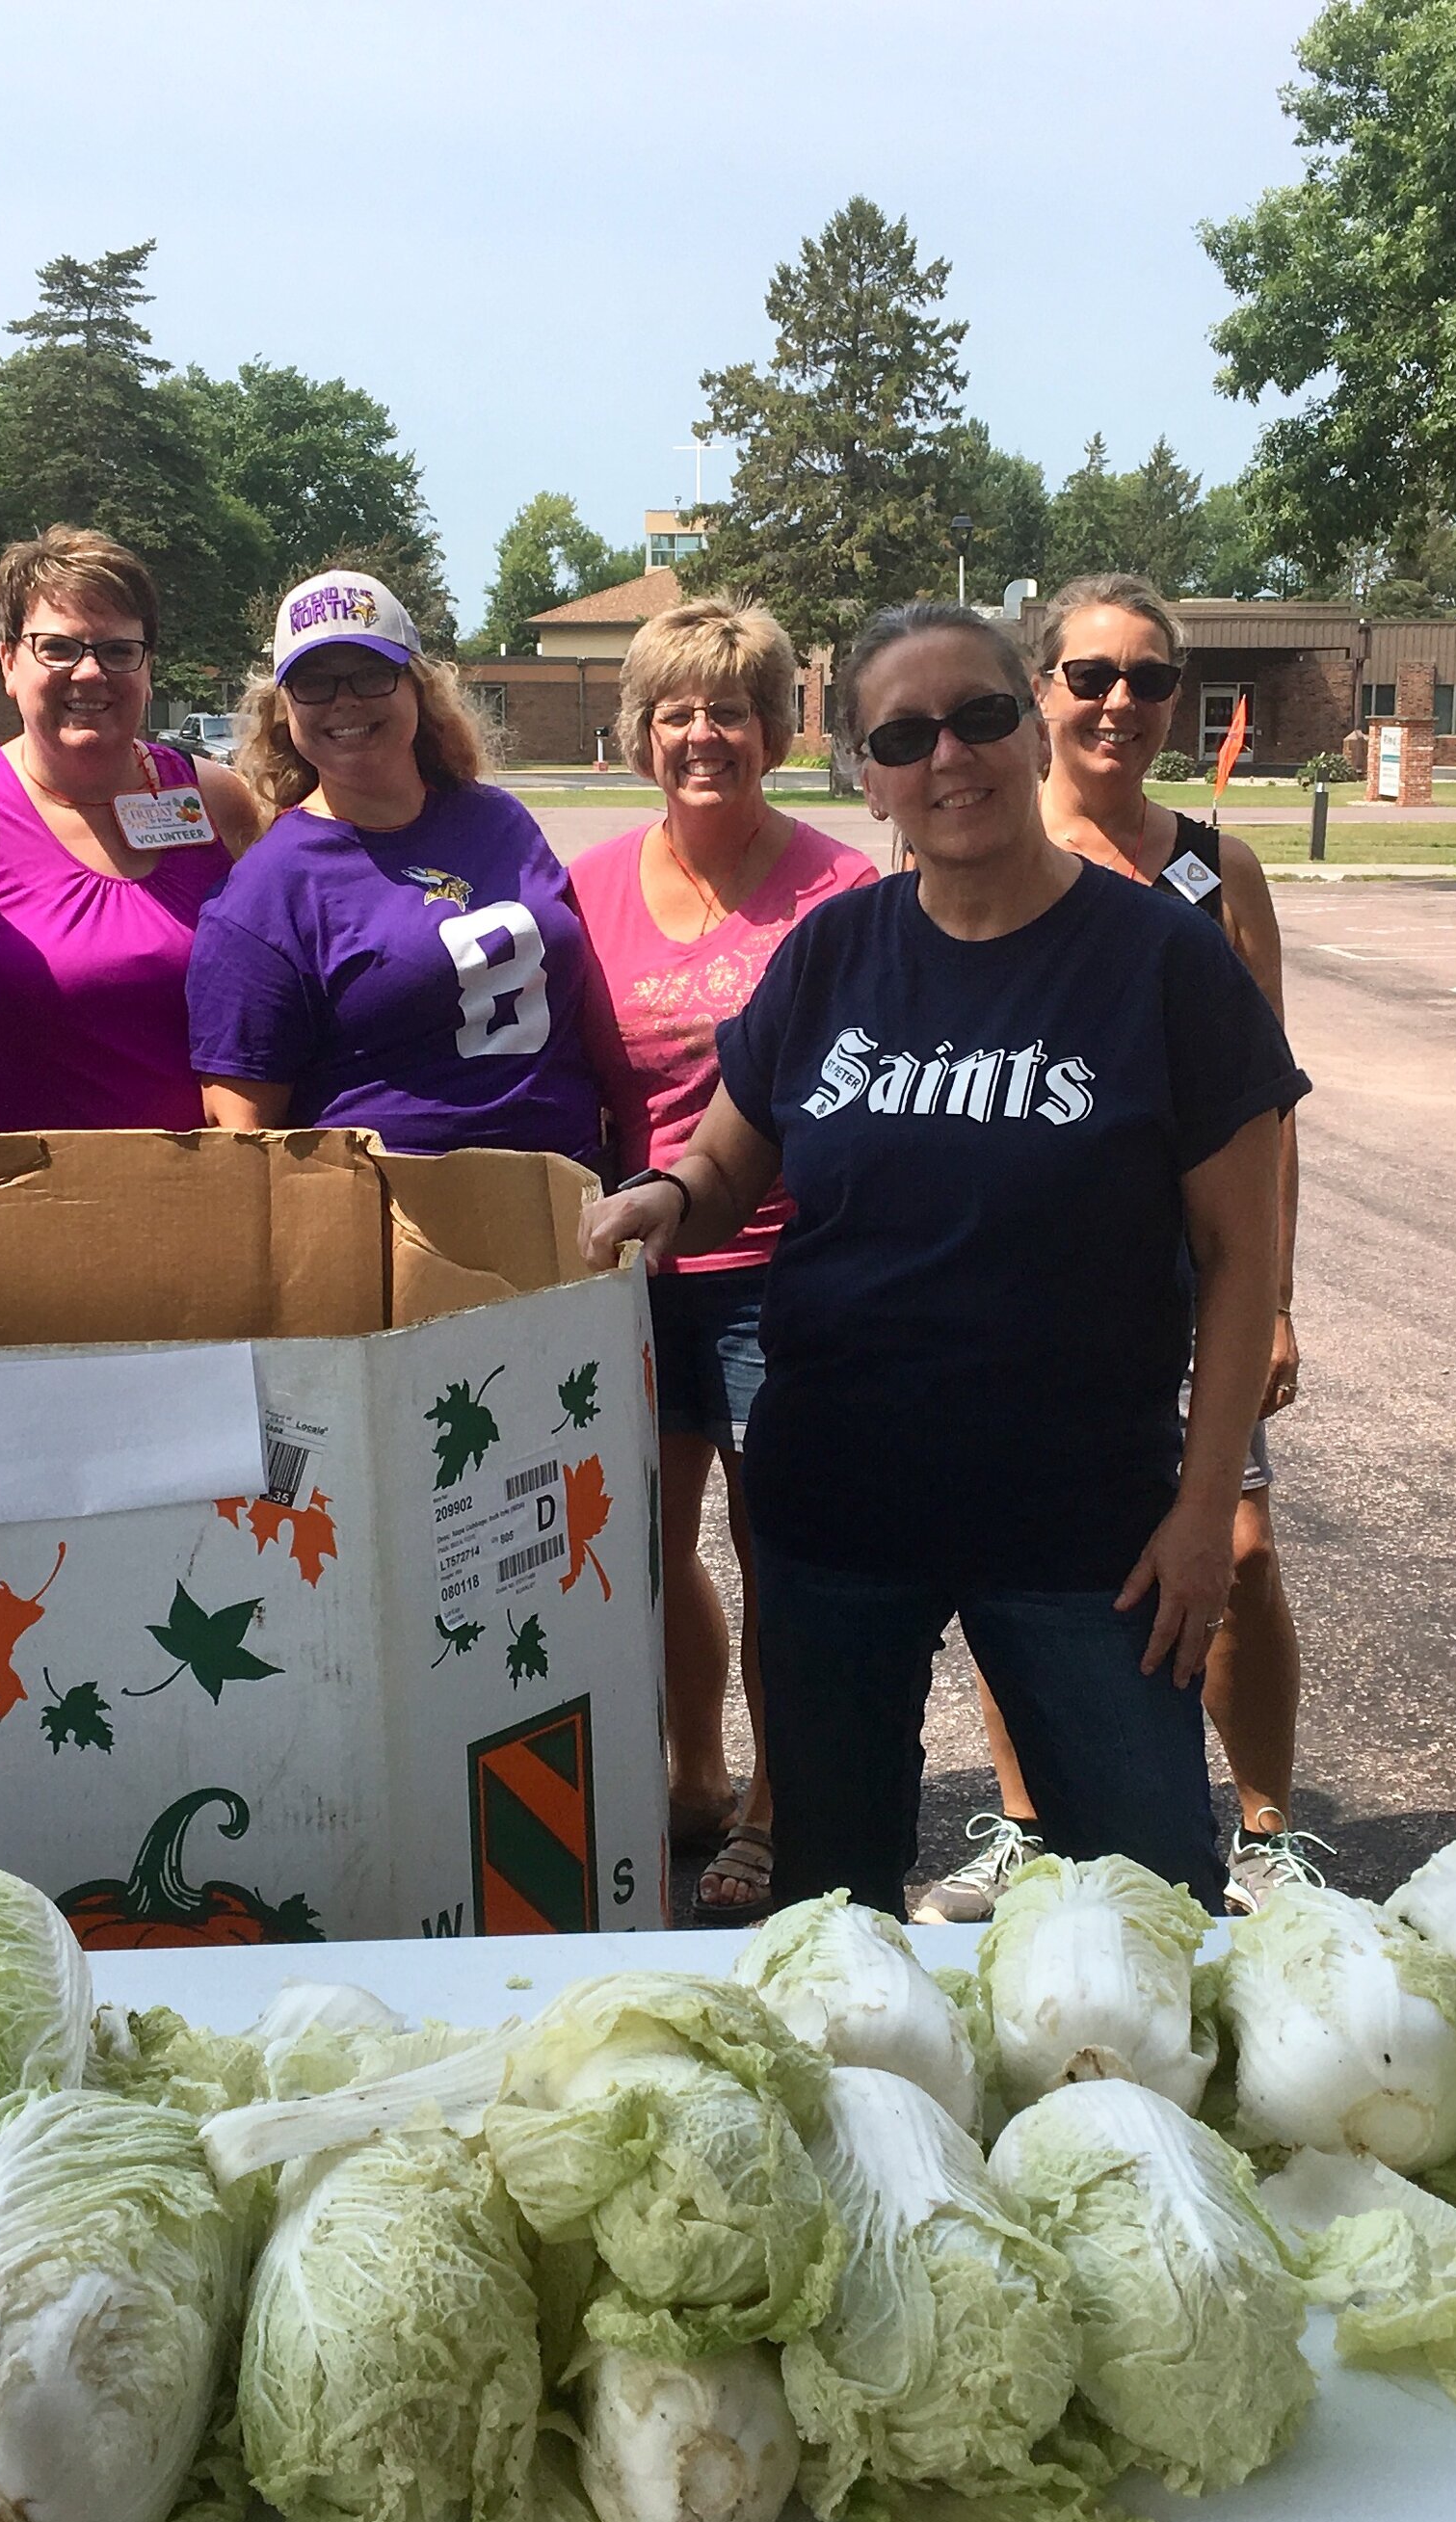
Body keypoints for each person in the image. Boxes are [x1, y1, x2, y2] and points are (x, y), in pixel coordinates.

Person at [581, 602, 1310, 1920]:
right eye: (903, 735)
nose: (949, 757)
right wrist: (659, 1198)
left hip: (1084, 1527)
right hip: (840, 1509)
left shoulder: (1162, 964)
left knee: (1153, 1893)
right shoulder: (835, 954)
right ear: (868, 777)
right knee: (837, 1899)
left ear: (1030, 730)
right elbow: (730, 1163)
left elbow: (1240, 1247)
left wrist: (1206, 1514)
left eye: (979, 717)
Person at [912, 573, 1311, 1923]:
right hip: (1032, 1275)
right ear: (1040, 694)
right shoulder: (971, 847)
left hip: (1193, 1274)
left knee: (1238, 1548)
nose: (1117, 704)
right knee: (1012, 1540)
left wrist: (1274, 1304)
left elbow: (1267, 1116)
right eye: (1089, 676)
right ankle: (1027, 1819)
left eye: (1146, 680)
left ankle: (1264, 1827)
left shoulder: (1212, 869)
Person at [568, 597, 877, 1920]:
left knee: (777, 1549)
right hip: (633, 1273)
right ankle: (695, 1773)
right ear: (642, 735)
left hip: (786, 1271)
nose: (704, 735)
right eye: (677, 711)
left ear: (775, 729)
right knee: (633, 1543)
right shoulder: (584, 891)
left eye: (731, 709)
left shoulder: (844, 892)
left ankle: (769, 1801)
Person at [0, 526, 261, 1132]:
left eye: (118, 650)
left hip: (193, 1198)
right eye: (57, 648)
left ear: (148, 667)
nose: (90, 673)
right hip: (14, 1204)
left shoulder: (215, 801)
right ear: (8, 662)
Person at [187, 570, 600, 1162]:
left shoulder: (498, 819)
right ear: (283, 709)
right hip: (399, 1222)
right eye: (314, 683)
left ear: (417, 687)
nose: (345, 700)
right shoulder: (265, 893)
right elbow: (245, 1136)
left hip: (570, 1198)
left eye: (372, 673)